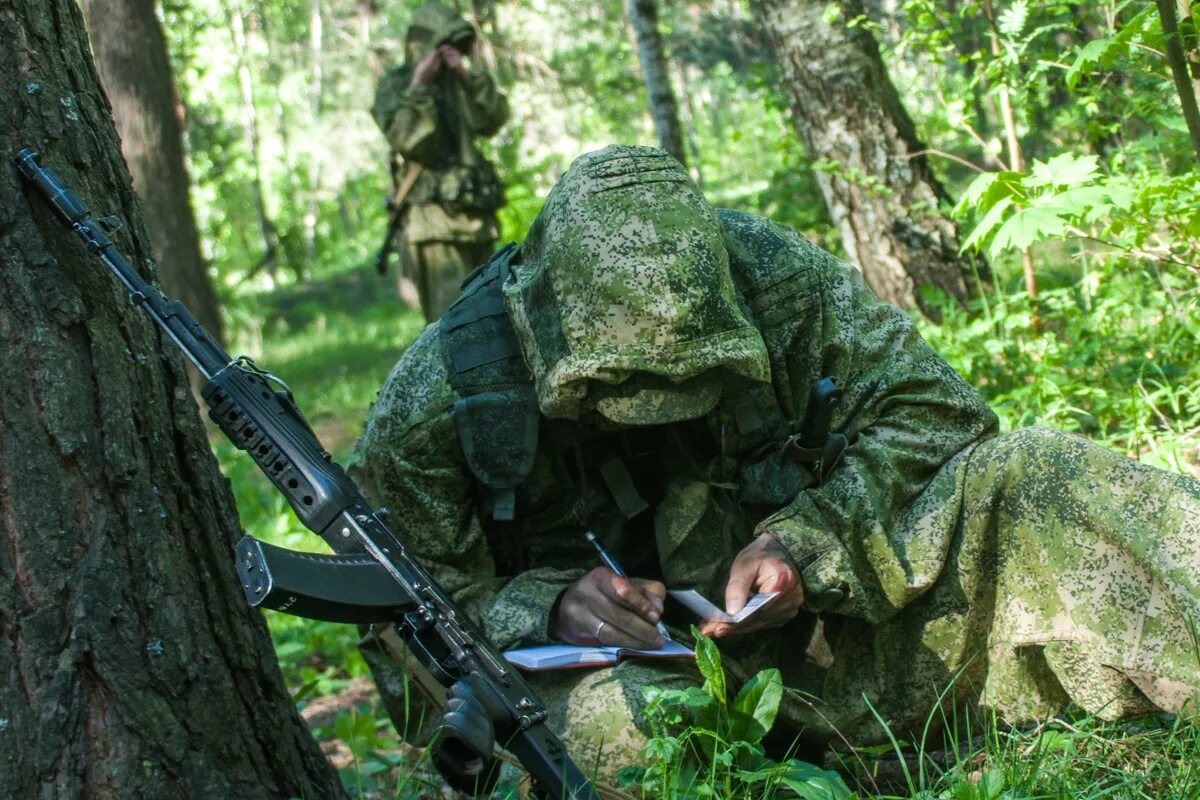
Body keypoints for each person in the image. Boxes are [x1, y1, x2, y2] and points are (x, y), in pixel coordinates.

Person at [347, 145, 1200, 794]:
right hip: (631, 692)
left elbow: (938, 410)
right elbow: (400, 625)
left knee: (1035, 472)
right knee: (638, 740)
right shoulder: (443, 395)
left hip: (844, 644)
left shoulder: (769, 277)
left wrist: (805, 540)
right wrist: (547, 607)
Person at [371, 1, 509, 323]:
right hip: (434, 224)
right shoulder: (398, 86)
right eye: (440, 45)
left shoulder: (460, 83)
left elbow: (493, 119)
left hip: (476, 217)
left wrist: (464, 74)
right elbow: (409, 139)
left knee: (496, 317)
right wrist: (419, 85)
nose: (446, 54)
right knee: (456, 325)